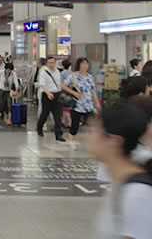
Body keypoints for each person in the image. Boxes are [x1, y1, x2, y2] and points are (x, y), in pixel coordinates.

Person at [90, 102, 152, 239]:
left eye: (95, 130)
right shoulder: (120, 182)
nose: (89, 136)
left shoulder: (137, 193)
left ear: (114, 141)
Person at [61, 57, 101, 150]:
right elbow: (63, 86)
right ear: (78, 65)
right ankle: (71, 141)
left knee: (91, 124)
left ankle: (92, 143)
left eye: (86, 64)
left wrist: (97, 103)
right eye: (82, 63)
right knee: (75, 124)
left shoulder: (90, 77)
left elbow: (93, 91)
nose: (85, 66)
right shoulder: (74, 76)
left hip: (88, 105)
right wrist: (74, 93)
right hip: (77, 105)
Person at [36, 56, 65, 142]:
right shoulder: (43, 72)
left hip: (57, 94)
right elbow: (42, 84)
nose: (51, 64)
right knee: (45, 114)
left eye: (53, 62)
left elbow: (59, 84)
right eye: (50, 63)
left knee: (57, 115)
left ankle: (58, 134)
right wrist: (48, 93)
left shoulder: (57, 72)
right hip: (47, 95)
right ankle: (39, 128)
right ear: (47, 63)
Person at [60, 60, 73, 128]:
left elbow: (61, 84)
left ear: (63, 65)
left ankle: (70, 122)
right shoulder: (72, 73)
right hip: (71, 91)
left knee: (65, 107)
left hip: (64, 91)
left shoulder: (62, 73)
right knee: (66, 106)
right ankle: (64, 121)